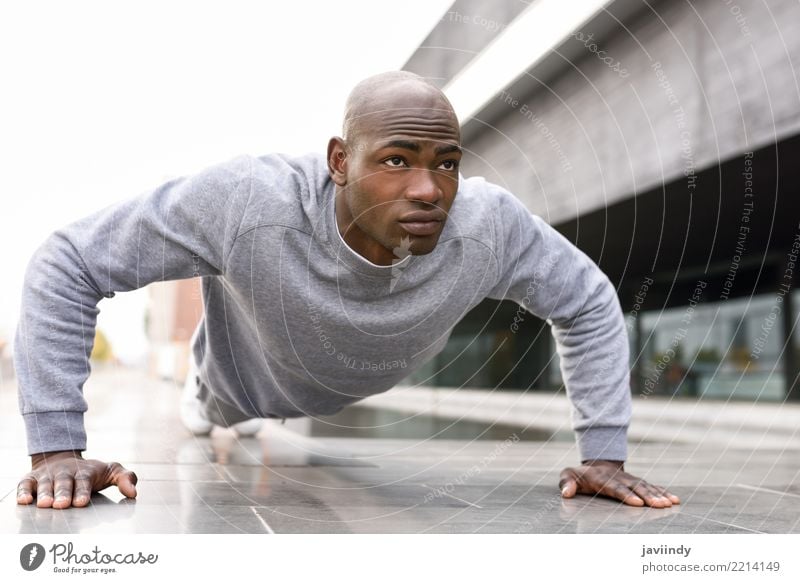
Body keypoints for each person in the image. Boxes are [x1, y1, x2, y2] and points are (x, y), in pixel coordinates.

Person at [14, 71, 680, 510]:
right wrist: (57, 449)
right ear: (340, 162)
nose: (428, 189)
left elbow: (589, 301)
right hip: (236, 385)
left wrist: (603, 453)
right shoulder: (248, 202)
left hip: (351, 378)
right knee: (209, 414)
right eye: (397, 160)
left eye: (445, 163)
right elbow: (67, 261)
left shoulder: (487, 226)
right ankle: (203, 395)